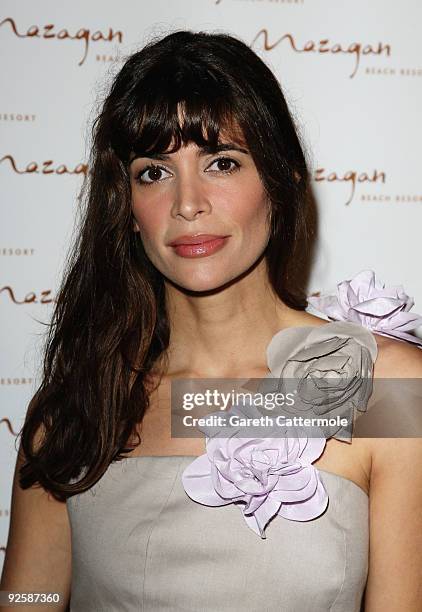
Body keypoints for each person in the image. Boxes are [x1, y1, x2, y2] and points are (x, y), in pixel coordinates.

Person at [1, 29, 421, 612]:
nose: (188, 202)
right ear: (124, 207)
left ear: (281, 183)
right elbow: (30, 596)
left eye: (221, 163)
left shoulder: (386, 387)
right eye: (154, 171)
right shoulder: (78, 403)